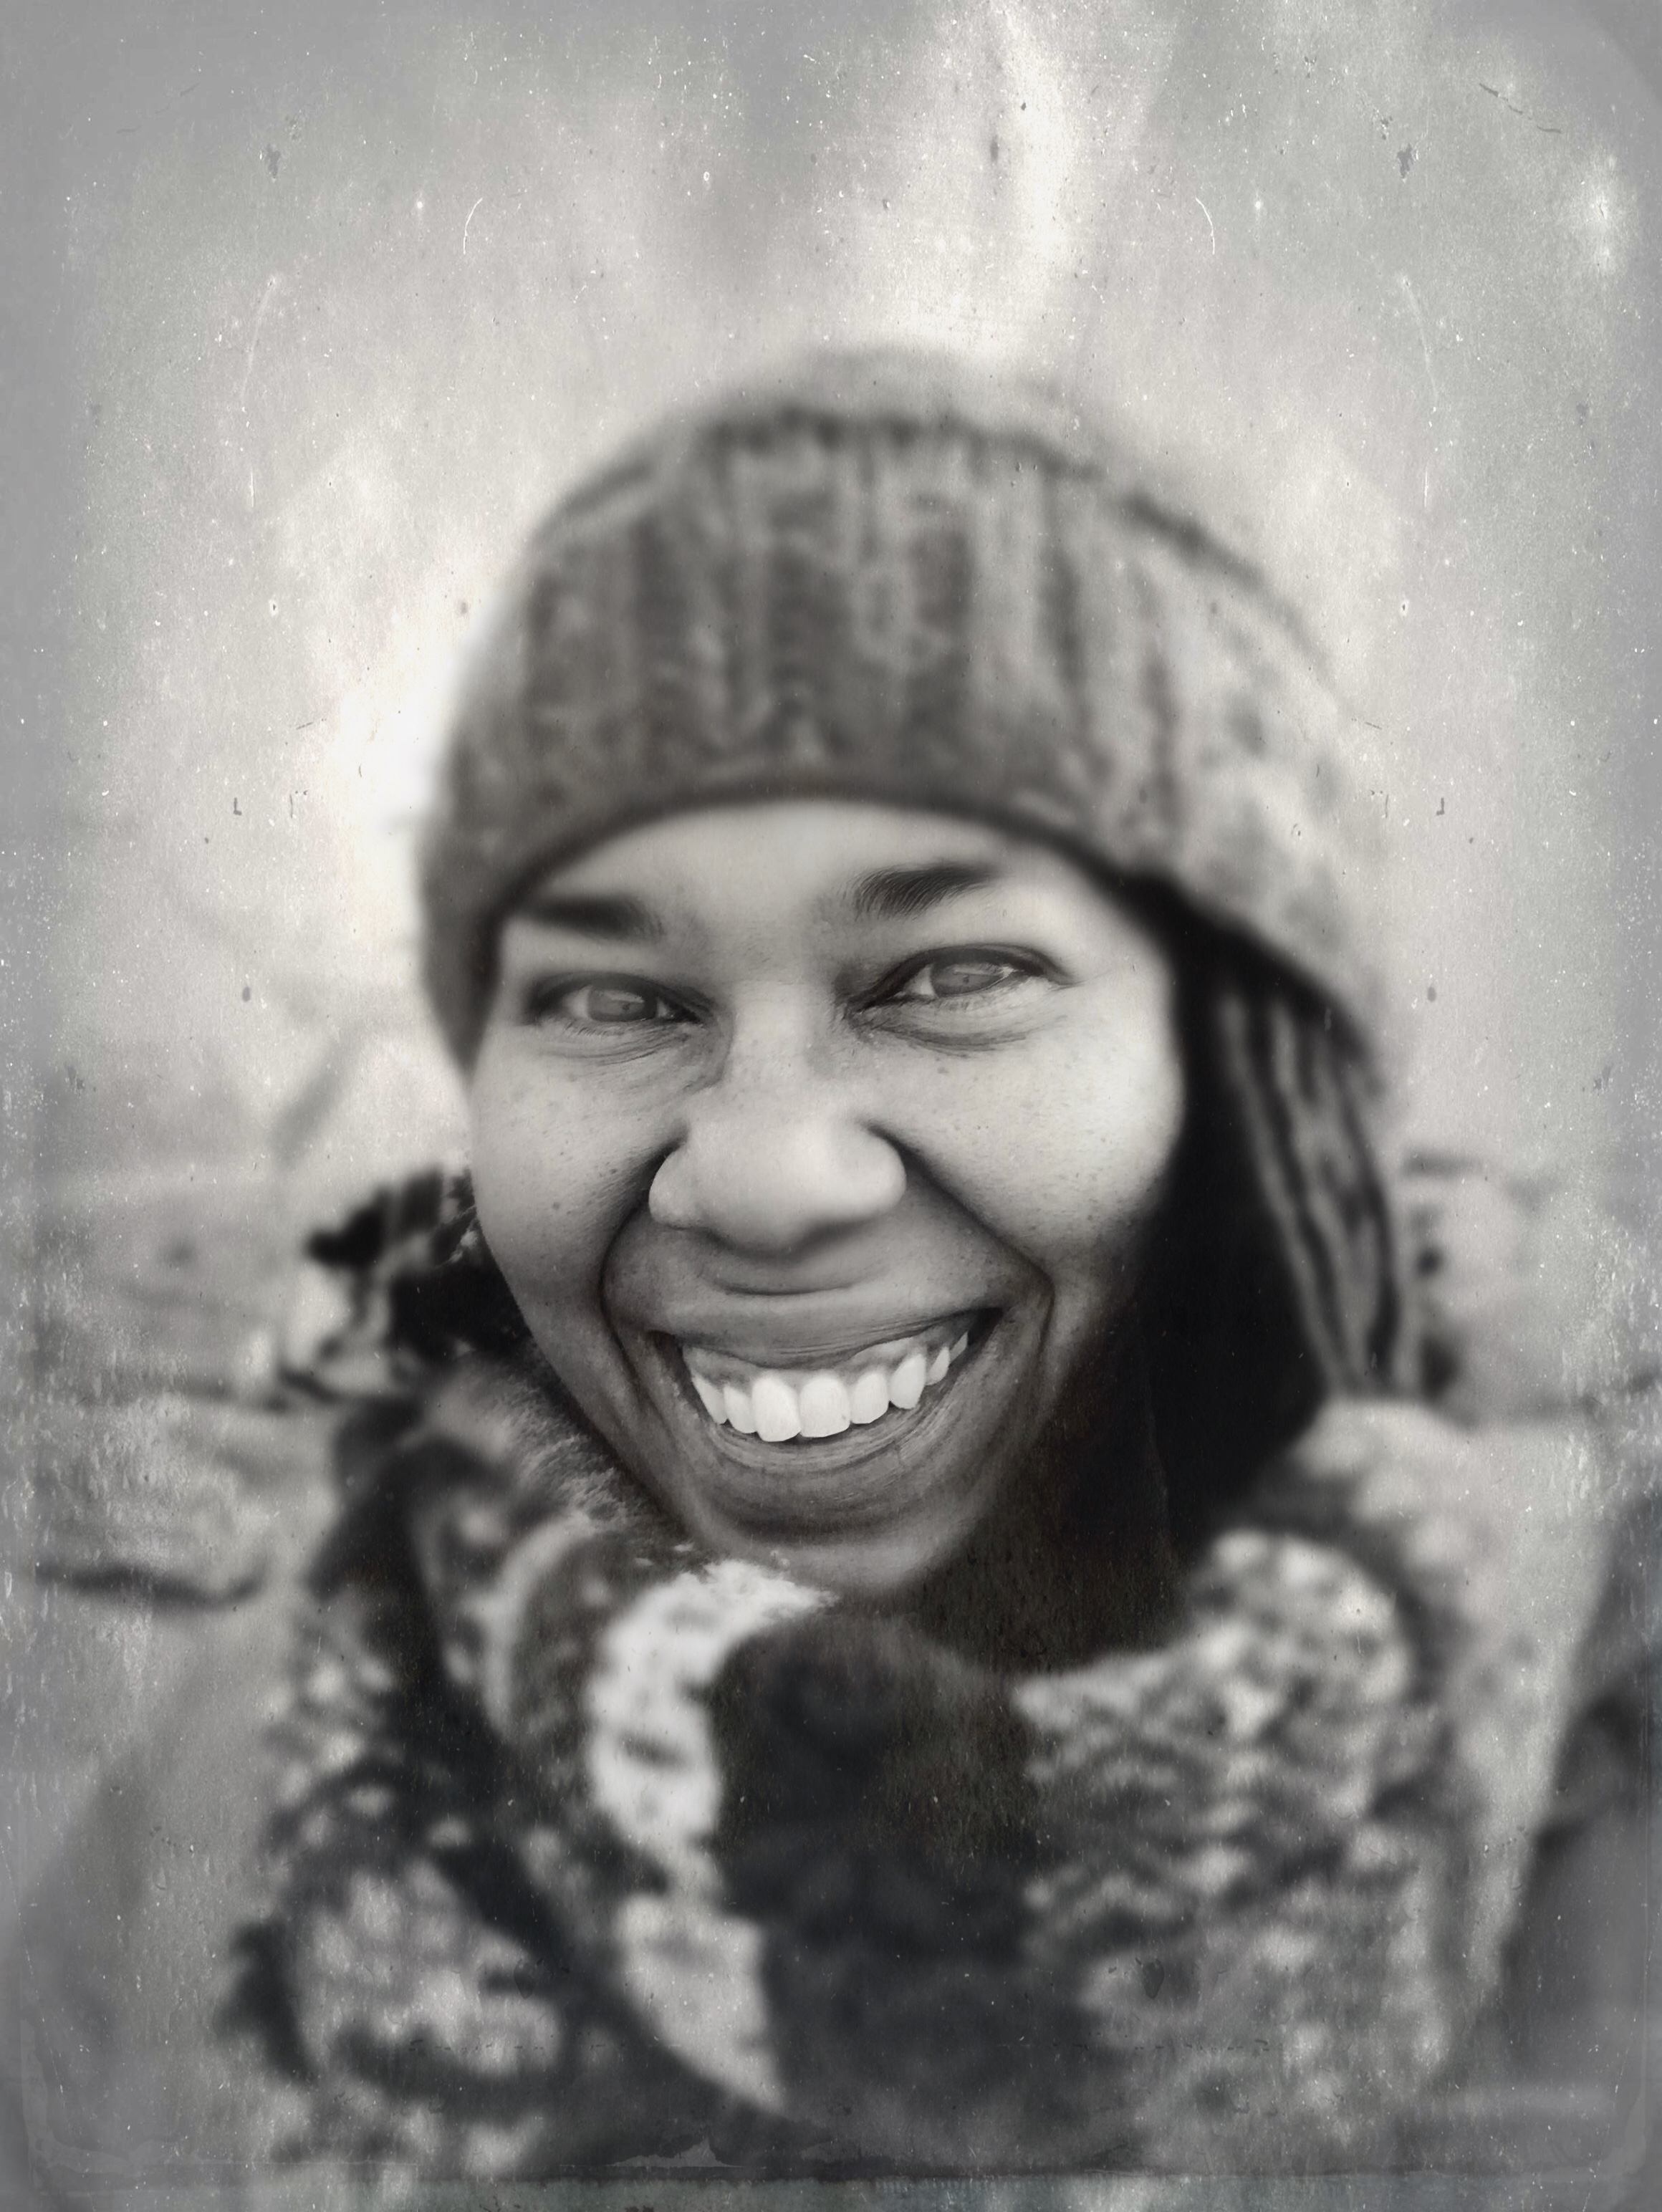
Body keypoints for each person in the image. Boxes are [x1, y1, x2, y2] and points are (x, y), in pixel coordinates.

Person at [6, 352, 1654, 2198]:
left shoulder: (1608, 1894)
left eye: (953, 977)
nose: (762, 1176)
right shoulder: (222, 1807)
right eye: (611, 997)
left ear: (1271, 1096)